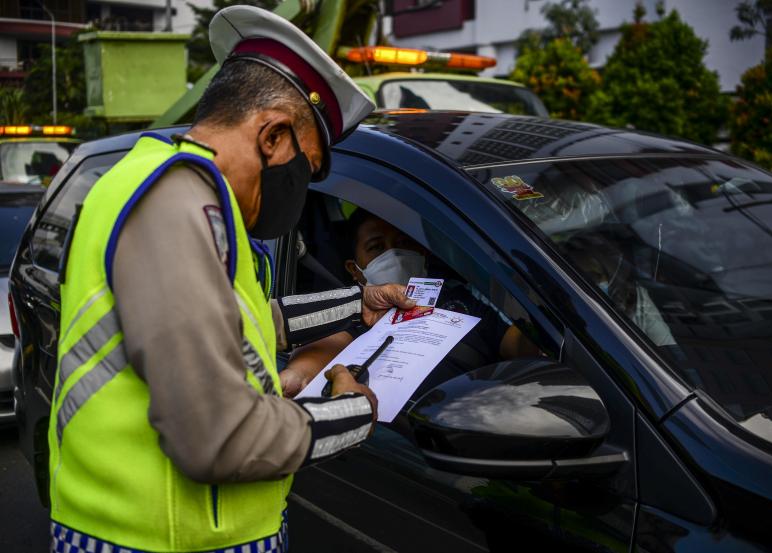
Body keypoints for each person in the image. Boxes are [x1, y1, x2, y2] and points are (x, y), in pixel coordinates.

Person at [47, 6, 415, 553]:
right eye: (306, 168)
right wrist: (353, 413)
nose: (301, 189)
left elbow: (237, 327)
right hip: (156, 541)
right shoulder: (173, 204)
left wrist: (356, 306)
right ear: (272, 136)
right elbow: (215, 439)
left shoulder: (189, 198)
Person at [280, 209, 540, 401]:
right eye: (376, 247)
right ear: (355, 270)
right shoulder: (357, 312)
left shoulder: (463, 299)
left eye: (404, 243)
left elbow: (521, 347)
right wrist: (298, 375)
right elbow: (319, 356)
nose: (393, 254)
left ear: (423, 253)